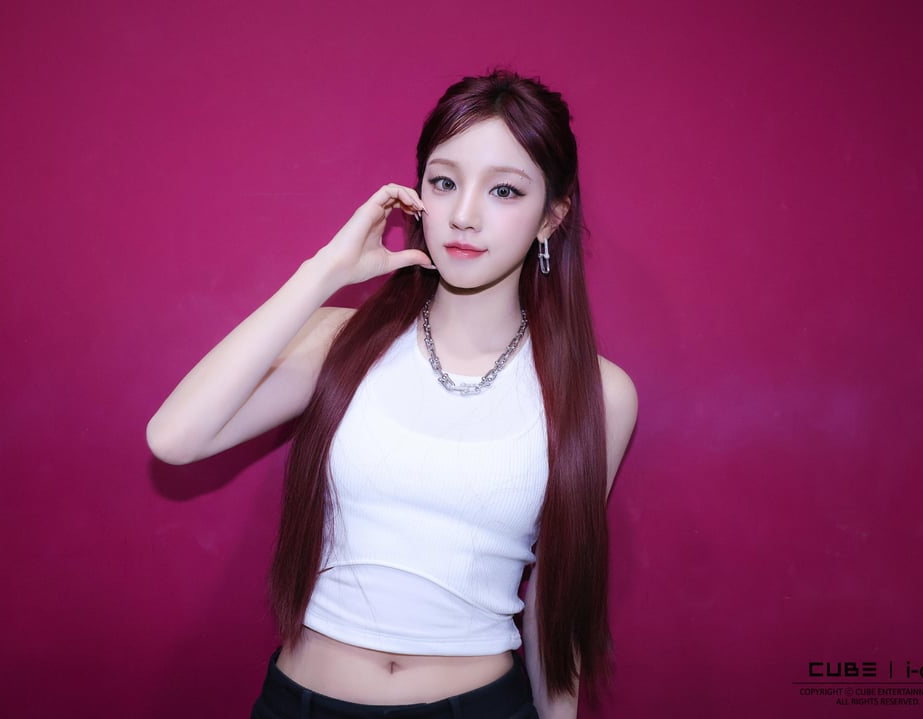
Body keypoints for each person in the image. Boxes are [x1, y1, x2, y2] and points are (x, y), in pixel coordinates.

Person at [147, 69, 637, 719]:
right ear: (416, 196)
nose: (464, 215)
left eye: (504, 190)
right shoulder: (340, 340)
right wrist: (325, 270)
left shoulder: (597, 393)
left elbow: (556, 606)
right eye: (445, 181)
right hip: (304, 704)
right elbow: (174, 439)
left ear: (552, 216)